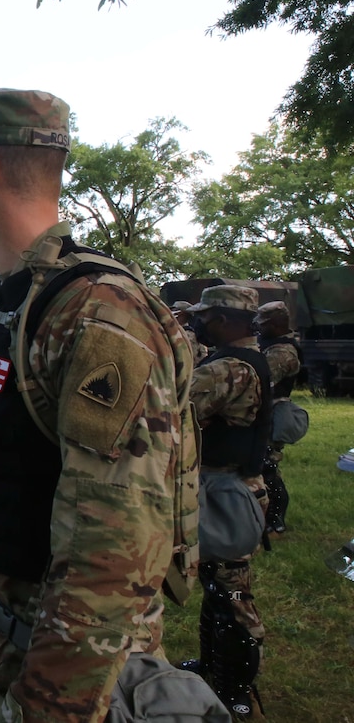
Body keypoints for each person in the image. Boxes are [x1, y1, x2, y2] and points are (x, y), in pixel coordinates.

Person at [0, 89, 191, 721]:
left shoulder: (95, 311)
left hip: (62, 664)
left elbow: (116, 545)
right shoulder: (17, 296)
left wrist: (51, 702)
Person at [184, 285, 272, 719]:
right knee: (217, 588)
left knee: (232, 596)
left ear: (223, 318)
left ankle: (238, 694)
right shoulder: (249, 358)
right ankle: (213, 671)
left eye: (204, 315)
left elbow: (173, 408)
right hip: (231, 488)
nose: (198, 321)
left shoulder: (228, 369)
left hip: (225, 493)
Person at [256, 300, 303, 535]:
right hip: (262, 412)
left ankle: (276, 517)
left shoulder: (284, 351)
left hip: (272, 414)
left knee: (268, 466)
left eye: (263, 324)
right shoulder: (269, 344)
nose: (258, 328)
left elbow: (262, 379)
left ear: (276, 325)